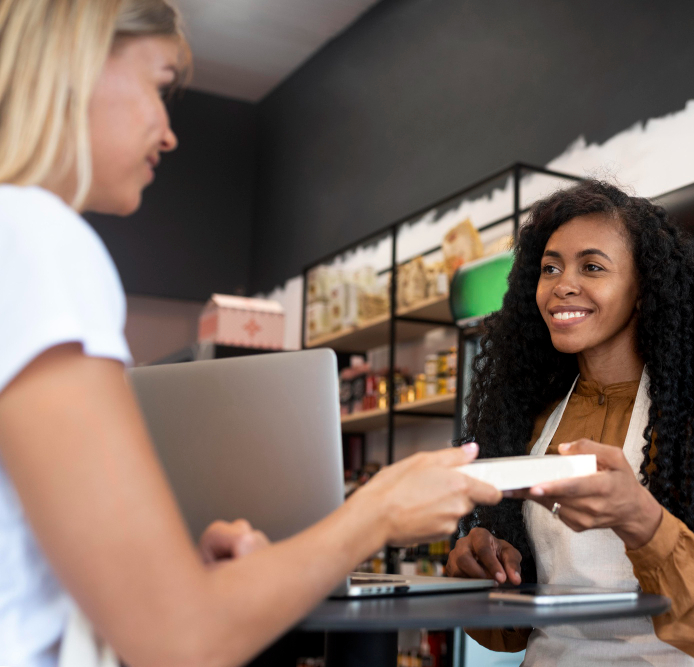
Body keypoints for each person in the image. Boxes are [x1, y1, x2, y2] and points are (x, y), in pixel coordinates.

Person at [0, 1, 501, 666]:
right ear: (78, 61)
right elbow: (177, 640)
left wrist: (176, 576)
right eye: (159, 84)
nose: (170, 131)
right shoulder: (39, 237)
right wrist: (377, 513)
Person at [444, 180, 694, 666]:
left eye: (592, 266)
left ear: (643, 286)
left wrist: (641, 520)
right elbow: (508, 636)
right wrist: (479, 576)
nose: (562, 285)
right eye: (550, 268)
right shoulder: (532, 419)